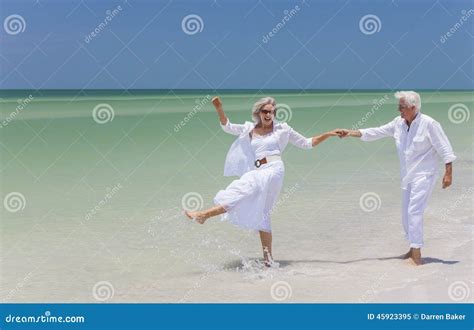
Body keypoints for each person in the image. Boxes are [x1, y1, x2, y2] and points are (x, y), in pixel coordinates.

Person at [185, 96, 340, 266]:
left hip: (274, 170)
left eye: (272, 112)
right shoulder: (249, 129)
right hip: (258, 170)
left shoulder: (282, 129)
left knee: (243, 191)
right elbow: (227, 126)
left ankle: (204, 215)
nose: (268, 114)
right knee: (262, 213)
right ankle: (269, 260)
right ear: (258, 113)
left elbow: (307, 143)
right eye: (265, 111)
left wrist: (328, 134)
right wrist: (219, 108)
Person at [338, 91, 456, 265]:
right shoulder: (398, 124)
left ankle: (417, 256)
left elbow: (445, 148)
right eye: (399, 106)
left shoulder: (429, 124)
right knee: (405, 214)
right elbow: (375, 132)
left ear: (413, 107)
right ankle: (412, 247)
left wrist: (448, 173)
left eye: (401, 107)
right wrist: (350, 133)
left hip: (424, 174)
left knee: (414, 211)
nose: (398, 110)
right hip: (407, 176)